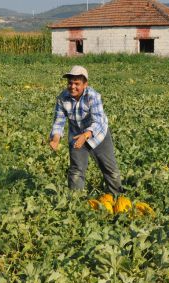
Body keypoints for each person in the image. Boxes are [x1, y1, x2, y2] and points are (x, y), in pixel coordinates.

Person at [49, 65, 123, 195]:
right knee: (76, 170)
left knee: (110, 170)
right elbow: (59, 121)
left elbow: (98, 121)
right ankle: (76, 202)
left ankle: (116, 197)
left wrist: (86, 135)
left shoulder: (93, 96)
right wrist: (55, 138)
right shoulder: (62, 98)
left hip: (98, 135)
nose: (72, 87)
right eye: (70, 83)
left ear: (85, 84)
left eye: (77, 83)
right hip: (77, 136)